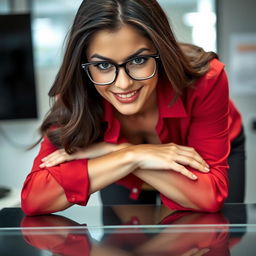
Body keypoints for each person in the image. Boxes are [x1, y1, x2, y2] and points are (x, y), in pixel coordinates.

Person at [21, 0, 245, 216]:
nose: (123, 84)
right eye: (103, 65)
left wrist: (110, 150)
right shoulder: (77, 92)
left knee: (207, 238)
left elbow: (209, 196)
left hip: (207, 159)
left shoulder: (206, 79)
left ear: (161, 52)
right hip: (125, 175)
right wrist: (131, 155)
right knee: (127, 244)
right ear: (84, 64)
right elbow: (34, 199)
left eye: (138, 61)